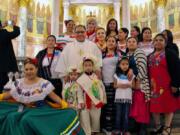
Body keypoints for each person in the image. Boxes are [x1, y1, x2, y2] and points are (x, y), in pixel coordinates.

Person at [0, 58, 85, 135]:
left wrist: (66, 104)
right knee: (11, 117)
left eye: (31, 69)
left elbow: (54, 96)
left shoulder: (43, 83)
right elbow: (8, 94)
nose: (29, 71)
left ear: (36, 69)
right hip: (23, 108)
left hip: (39, 109)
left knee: (26, 119)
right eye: (26, 69)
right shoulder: (19, 82)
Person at [148, 34, 180, 135]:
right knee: (154, 107)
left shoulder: (170, 54)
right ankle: (158, 126)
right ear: (153, 43)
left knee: (168, 106)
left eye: (161, 40)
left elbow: (177, 70)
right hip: (153, 86)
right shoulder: (150, 56)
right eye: (156, 40)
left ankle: (167, 127)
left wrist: (175, 84)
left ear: (165, 43)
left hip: (167, 86)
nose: (158, 42)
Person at [77, 55, 106, 135]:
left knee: (95, 118)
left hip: (95, 101)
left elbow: (101, 88)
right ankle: (87, 132)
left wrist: (102, 99)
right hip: (85, 101)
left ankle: (94, 131)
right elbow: (79, 91)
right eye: (86, 65)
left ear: (93, 66)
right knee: (85, 118)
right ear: (83, 67)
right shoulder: (80, 79)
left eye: (90, 65)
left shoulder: (96, 77)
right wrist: (81, 101)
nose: (88, 67)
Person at [126, 37, 150, 135]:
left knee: (141, 106)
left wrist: (138, 81)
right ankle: (136, 127)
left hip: (140, 84)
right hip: (131, 85)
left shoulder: (139, 52)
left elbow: (143, 68)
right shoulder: (127, 55)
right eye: (129, 42)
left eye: (133, 41)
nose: (131, 43)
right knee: (134, 106)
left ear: (137, 44)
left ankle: (143, 129)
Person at [101, 36, 119, 134]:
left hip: (116, 84)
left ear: (116, 44)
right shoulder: (102, 55)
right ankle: (106, 128)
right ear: (106, 43)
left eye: (113, 41)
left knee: (113, 107)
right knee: (106, 106)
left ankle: (113, 128)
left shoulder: (119, 55)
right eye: (109, 41)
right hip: (104, 84)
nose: (111, 43)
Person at [113, 56, 134, 135]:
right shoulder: (116, 75)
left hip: (127, 98)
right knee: (118, 114)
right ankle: (117, 129)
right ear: (119, 65)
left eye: (127, 64)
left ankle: (125, 130)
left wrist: (128, 85)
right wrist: (120, 85)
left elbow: (134, 86)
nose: (125, 66)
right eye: (123, 64)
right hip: (119, 98)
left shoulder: (131, 75)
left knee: (126, 115)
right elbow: (114, 85)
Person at [0, 20, 20, 93]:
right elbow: (16, 32)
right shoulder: (4, 33)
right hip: (7, 66)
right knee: (9, 85)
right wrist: (14, 25)